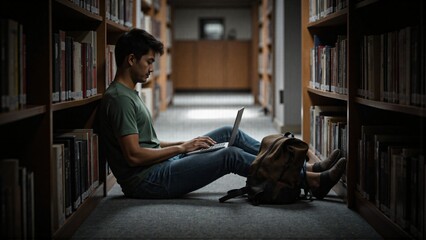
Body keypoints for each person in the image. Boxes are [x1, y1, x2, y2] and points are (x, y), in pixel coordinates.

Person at [97, 28, 346, 200]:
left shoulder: (129, 94)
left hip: (160, 165)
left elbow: (146, 143)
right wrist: (183, 148)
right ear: (131, 59)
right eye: (149, 61)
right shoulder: (119, 99)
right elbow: (134, 156)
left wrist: (185, 144)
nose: (152, 68)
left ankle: (304, 164)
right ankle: (311, 181)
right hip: (147, 181)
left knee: (228, 132)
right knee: (230, 156)